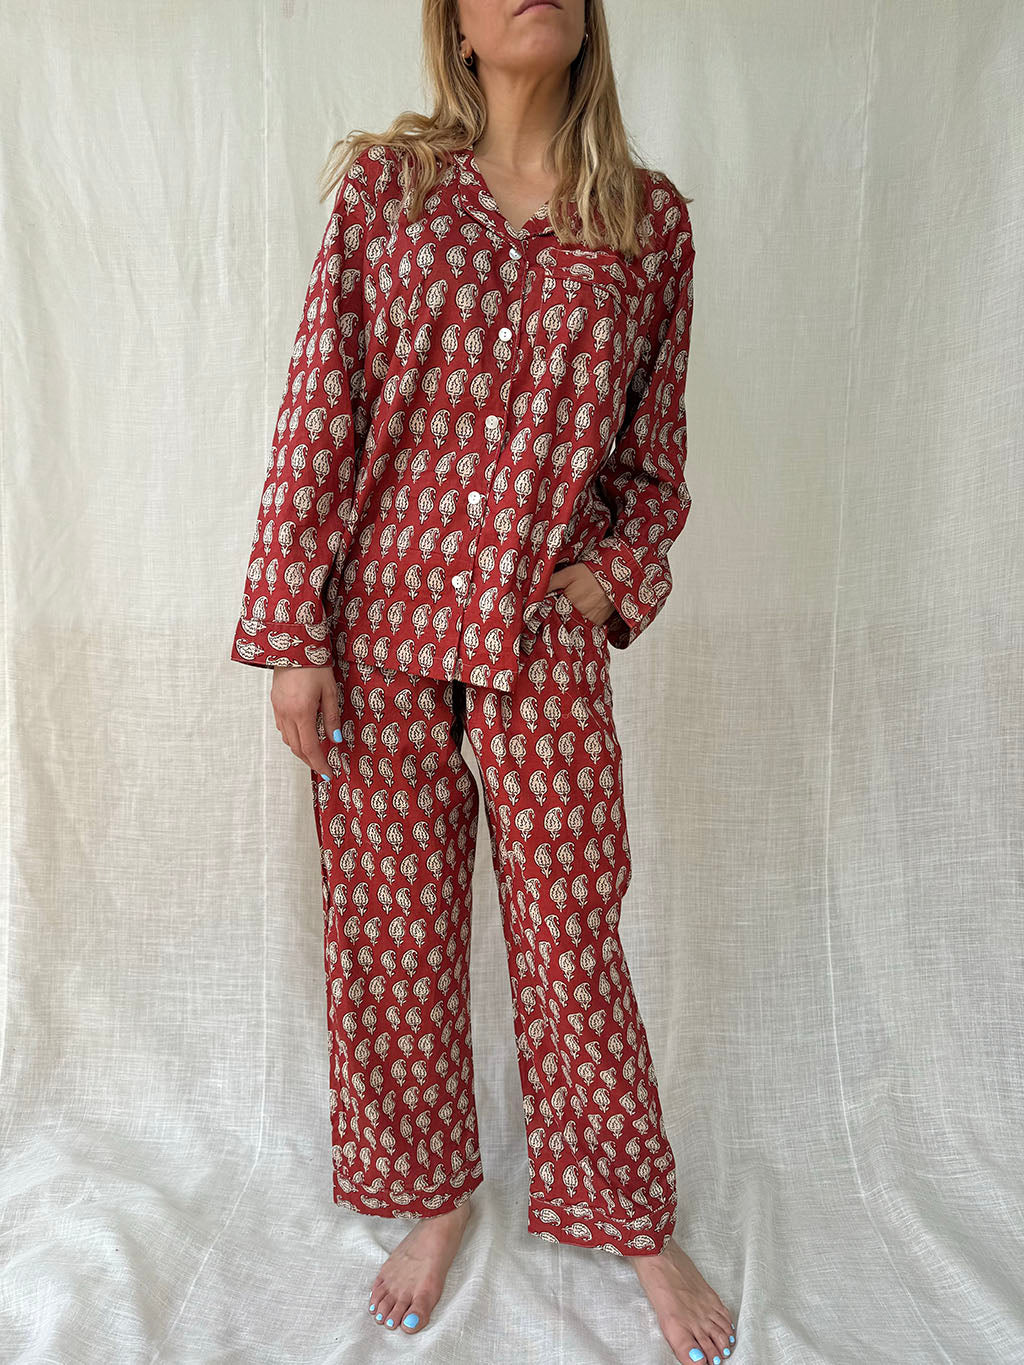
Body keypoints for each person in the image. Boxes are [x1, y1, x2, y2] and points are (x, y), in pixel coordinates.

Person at [229, 1, 735, 1361]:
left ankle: (632, 1217)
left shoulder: (646, 222)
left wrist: (612, 578)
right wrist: (294, 633)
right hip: (379, 634)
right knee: (390, 938)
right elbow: (319, 410)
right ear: (453, 26)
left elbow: (656, 458)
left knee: (573, 938)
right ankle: (436, 1195)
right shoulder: (388, 194)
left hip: (540, 643)